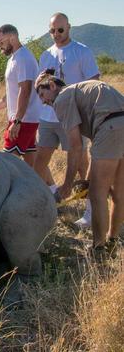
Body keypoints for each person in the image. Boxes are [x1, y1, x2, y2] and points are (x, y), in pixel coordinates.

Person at [35, 74, 123, 255]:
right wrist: (87, 178)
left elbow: (75, 146)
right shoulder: (82, 91)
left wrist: (67, 185)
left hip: (110, 128)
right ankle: (113, 240)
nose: (44, 102)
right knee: (119, 193)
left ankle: (98, 248)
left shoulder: (63, 97)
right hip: (116, 124)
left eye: (42, 95)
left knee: (97, 193)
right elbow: (93, 146)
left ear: (52, 85)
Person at [35, 12, 100, 228]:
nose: (56, 34)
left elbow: (94, 81)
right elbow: (40, 84)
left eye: (60, 30)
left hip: (74, 117)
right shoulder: (46, 54)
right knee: (39, 162)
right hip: (48, 117)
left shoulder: (81, 51)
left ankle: (90, 213)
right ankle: (50, 201)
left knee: (82, 164)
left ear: (69, 27)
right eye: (52, 30)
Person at [0, 24, 43, 166]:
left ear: (12, 37)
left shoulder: (23, 58)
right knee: (33, 166)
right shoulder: (13, 59)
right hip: (24, 119)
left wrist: (17, 121)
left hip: (23, 120)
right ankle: (51, 188)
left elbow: (25, 90)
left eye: (1, 42)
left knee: (7, 163)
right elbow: (13, 92)